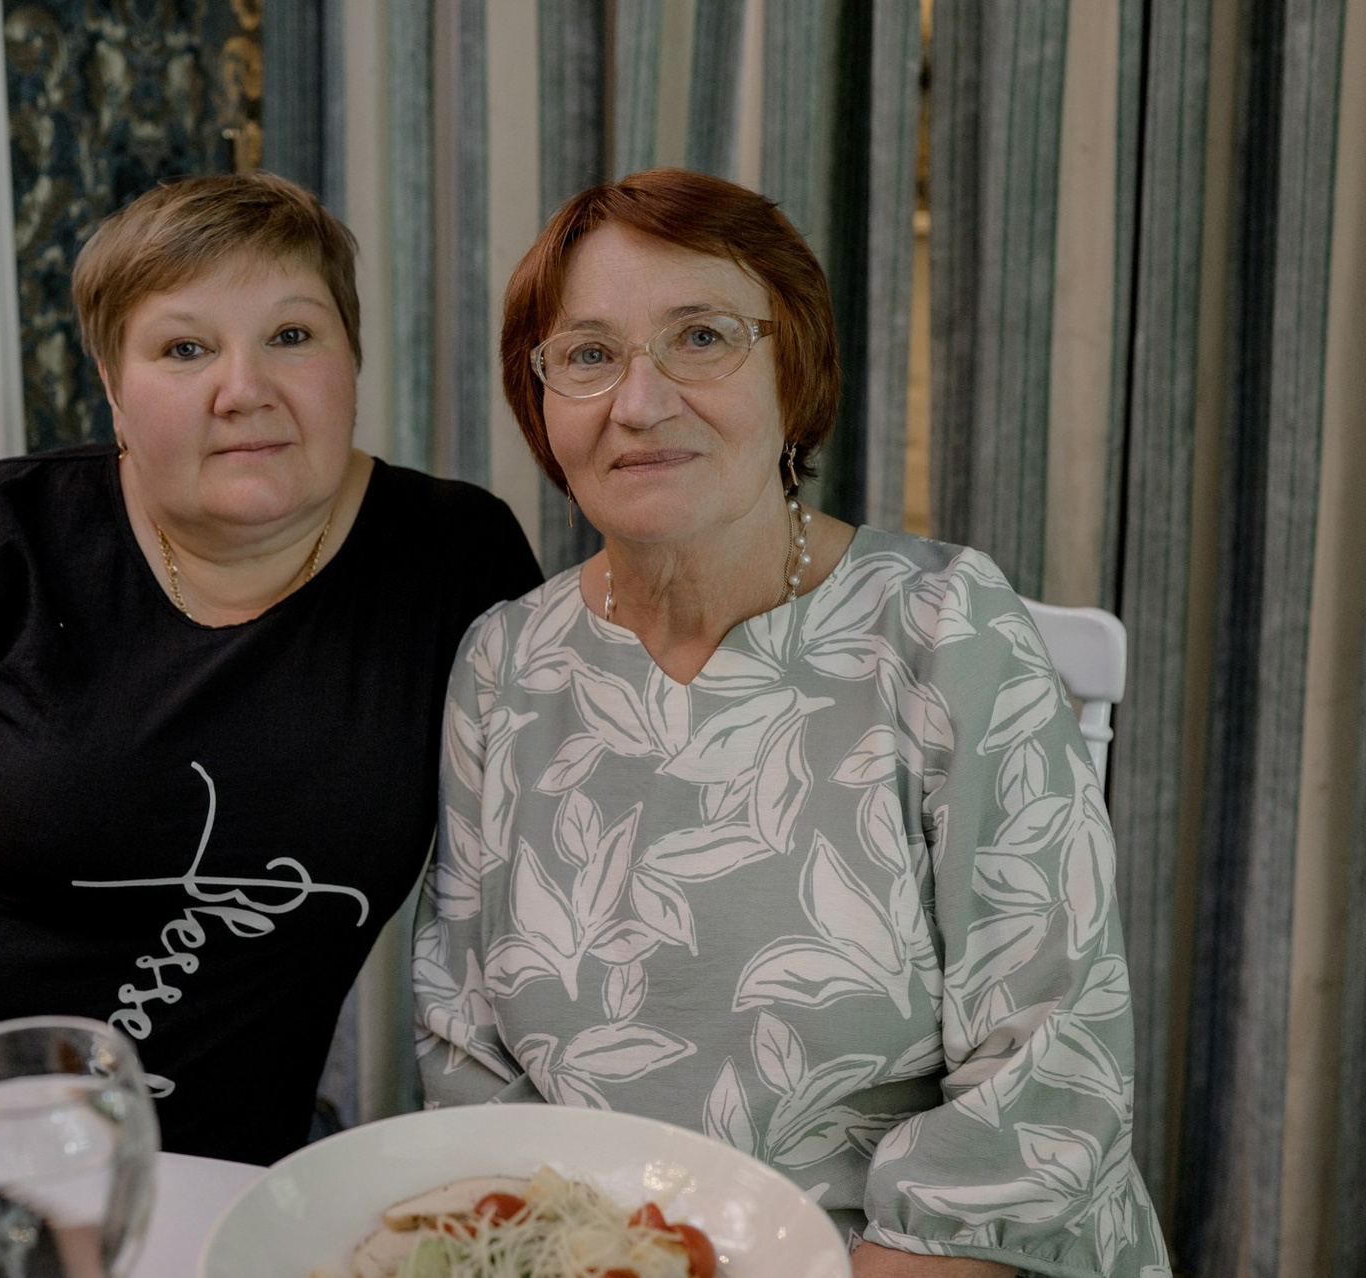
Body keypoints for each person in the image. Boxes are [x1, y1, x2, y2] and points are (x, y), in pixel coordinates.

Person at [0, 172, 542, 1165]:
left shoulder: (454, 560)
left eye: (292, 334)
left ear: (351, 355)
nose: (245, 389)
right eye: (185, 349)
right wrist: (6, 1168)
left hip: (188, 1183)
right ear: (112, 387)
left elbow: (549, 883)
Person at [412, 169, 1169, 1278]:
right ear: (542, 404)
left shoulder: (944, 626)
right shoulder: (502, 661)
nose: (639, 402)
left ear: (793, 369)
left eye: (701, 338)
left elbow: (1048, 1063)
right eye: (587, 355)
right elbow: (465, 1042)